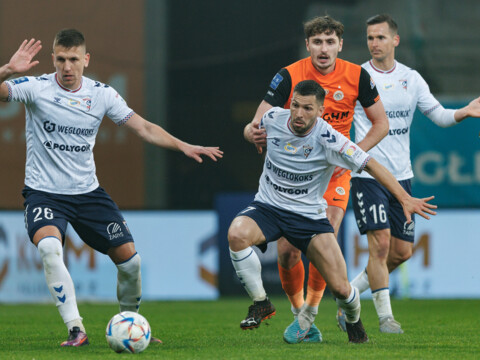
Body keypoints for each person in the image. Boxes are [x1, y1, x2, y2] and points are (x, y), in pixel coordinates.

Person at [0, 30, 223, 347]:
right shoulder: (35, 88)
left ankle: (131, 325)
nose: (67, 66)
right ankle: (76, 329)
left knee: (131, 263)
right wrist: (8, 70)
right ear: (53, 59)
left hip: (88, 194)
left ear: (85, 60)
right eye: (61, 59)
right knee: (50, 249)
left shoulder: (102, 94)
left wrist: (183, 145)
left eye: (74, 59)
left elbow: (144, 127)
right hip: (44, 193)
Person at [230, 79, 436, 344]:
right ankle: (261, 303)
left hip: (309, 218)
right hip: (269, 207)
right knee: (236, 234)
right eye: (295, 106)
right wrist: (251, 132)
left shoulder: (330, 140)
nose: (298, 114)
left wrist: (404, 197)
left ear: (320, 110)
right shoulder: (273, 117)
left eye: (307, 108)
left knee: (341, 288)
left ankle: (353, 319)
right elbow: (251, 128)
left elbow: (372, 165)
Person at [244, 15, 389, 341]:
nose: (324, 49)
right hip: (297, 175)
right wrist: (255, 134)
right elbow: (257, 123)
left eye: (330, 41)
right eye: (317, 42)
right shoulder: (288, 76)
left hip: (335, 174)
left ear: (340, 45)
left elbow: (381, 124)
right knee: (287, 253)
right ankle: (299, 312)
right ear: (308, 45)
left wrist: (349, 156)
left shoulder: (357, 76)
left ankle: (308, 315)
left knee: (321, 245)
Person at [336, 14, 480, 334]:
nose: (374, 43)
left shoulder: (411, 79)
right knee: (381, 245)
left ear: (395, 40)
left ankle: (349, 295)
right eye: (370, 38)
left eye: (381, 37)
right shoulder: (358, 76)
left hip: (402, 176)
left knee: (402, 252)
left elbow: (439, 116)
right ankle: (386, 317)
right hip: (368, 174)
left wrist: (464, 112)